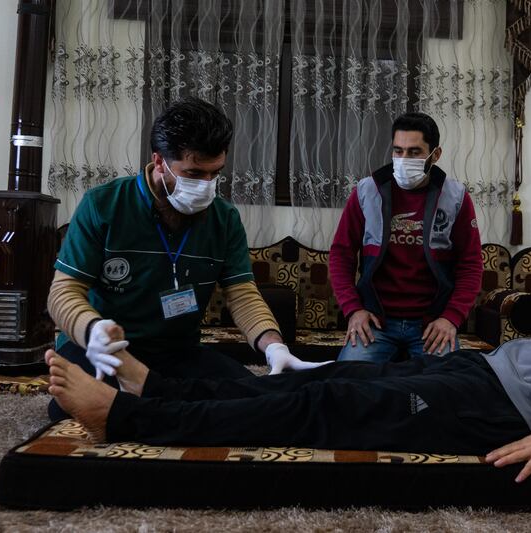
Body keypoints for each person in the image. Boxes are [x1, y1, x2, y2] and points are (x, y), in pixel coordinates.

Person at [46, 307, 531, 489]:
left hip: (503, 411)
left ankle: (127, 415)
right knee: (314, 378)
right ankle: (152, 380)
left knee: (319, 410)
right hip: (485, 369)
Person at [47, 97, 325, 420]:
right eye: (193, 173)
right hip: (105, 349)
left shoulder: (224, 218)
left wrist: (274, 346)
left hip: (176, 350)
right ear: (159, 162)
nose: (206, 187)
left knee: (252, 401)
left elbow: (243, 294)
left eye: (215, 173)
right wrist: (90, 329)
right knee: (70, 410)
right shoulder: (103, 206)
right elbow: (62, 293)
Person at [329, 112, 483, 362]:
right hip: (375, 323)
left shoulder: (455, 197)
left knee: (445, 389)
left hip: (431, 325)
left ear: (436, 155)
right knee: (348, 384)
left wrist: (451, 318)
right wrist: (353, 310)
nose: (403, 159)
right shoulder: (366, 192)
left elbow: (471, 263)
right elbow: (340, 254)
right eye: (398, 151)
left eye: (414, 152)